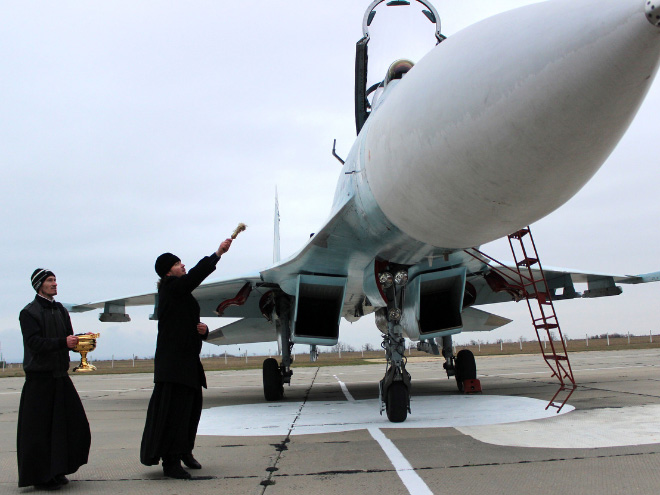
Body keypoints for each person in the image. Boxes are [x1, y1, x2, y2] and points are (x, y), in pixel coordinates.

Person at [140, 238, 232, 479]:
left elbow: (184, 323)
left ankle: (185, 452)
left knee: (191, 411)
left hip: (187, 363)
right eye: (179, 263)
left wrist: (200, 329)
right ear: (168, 270)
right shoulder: (170, 287)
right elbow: (194, 278)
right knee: (175, 414)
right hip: (174, 367)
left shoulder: (179, 293)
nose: (183, 266)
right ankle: (170, 462)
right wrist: (217, 254)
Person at [17, 269, 91, 490]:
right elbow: (34, 343)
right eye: (50, 281)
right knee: (40, 433)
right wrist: (63, 342)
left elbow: (67, 336)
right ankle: (42, 476)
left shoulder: (59, 309)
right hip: (39, 380)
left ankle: (59, 469)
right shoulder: (29, 312)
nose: (55, 284)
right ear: (39, 285)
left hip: (60, 377)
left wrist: (80, 342)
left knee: (70, 427)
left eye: (55, 280)